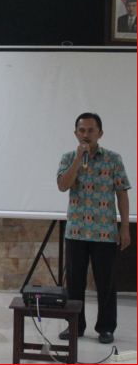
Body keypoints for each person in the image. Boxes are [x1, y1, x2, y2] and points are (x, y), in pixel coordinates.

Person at [56, 112, 131, 344]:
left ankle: (106, 328)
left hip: (105, 232)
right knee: (74, 284)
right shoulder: (69, 157)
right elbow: (63, 185)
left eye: (90, 130)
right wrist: (78, 159)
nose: (86, 134)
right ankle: (75, 326)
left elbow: (122, 194)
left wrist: (125, 228)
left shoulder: (113, 159)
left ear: (100, 133)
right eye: (81, 130)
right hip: (76, 232)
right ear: (75, 133)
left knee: (106, 283)